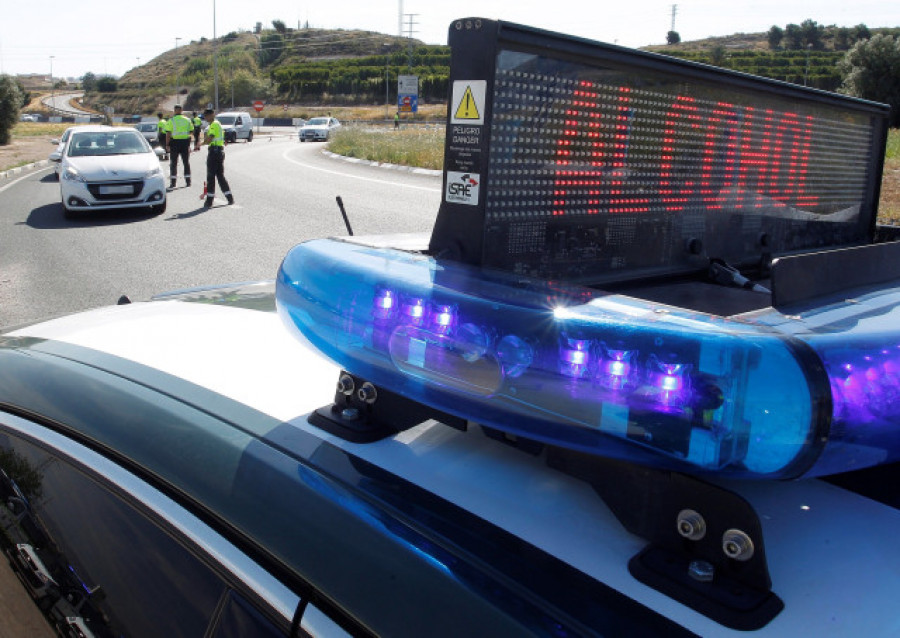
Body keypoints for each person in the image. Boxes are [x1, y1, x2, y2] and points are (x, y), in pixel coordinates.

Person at [196, 108, 234, 208]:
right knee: (220, 176)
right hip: (219, 152)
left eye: (206, 115)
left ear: (212, 114)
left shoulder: (214, 124)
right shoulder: (216, 124)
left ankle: (209, 201)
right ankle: (229, 197)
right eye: (204, 116)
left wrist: (201, 144)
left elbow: (210, 138)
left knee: (211, 177)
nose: (205, 117)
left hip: (214, 152)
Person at [167, 104, 194, 188]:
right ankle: (188, 182)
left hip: (174, 143)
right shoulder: (187, 120)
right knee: (186, 162)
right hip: (185, 143)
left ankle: (173, 183)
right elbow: (191, 131)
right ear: (181, 110)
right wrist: (188, 139)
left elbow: (168, 133)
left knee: (173, 163)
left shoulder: (171, 120)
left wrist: (167, 144)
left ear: (175, 110)